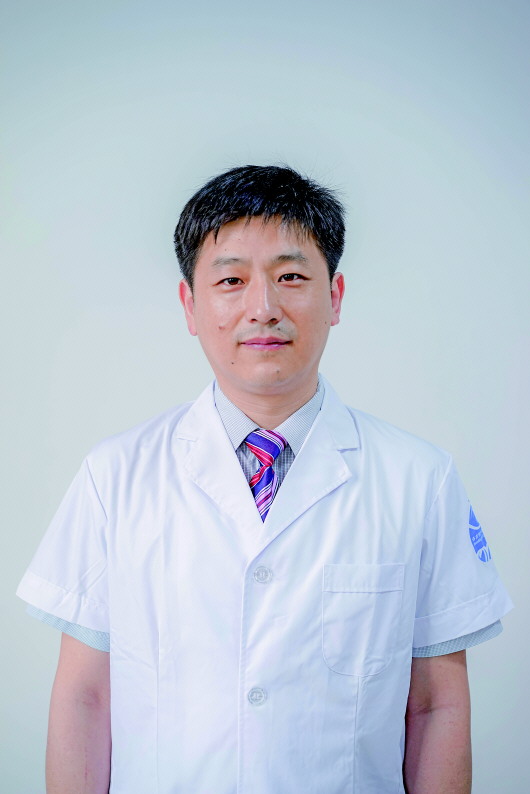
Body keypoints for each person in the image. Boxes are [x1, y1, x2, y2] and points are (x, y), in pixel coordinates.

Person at [18, 164, 512, 794]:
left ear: (335, 297)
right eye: (231, 280)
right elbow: (85, 698)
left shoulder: (419, 479)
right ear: (190, 305)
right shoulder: (115, 475)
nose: (264, 308)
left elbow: (436, 705)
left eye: (291, 277)